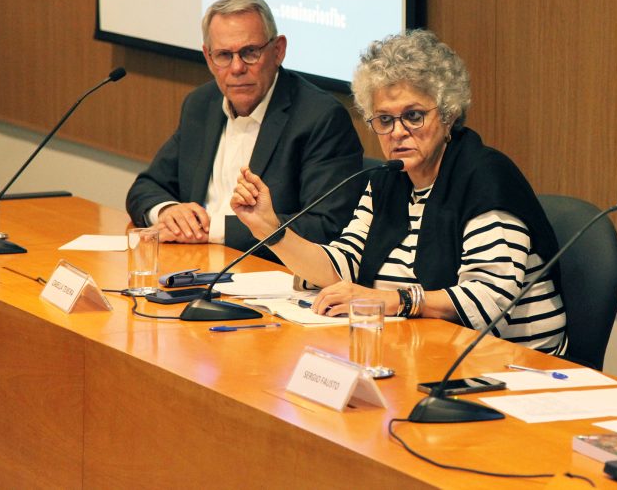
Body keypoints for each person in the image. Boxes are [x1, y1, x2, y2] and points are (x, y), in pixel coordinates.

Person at [231, 30, 567, 353]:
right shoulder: (388, 179)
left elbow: (487, 300)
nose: (399, 132)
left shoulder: (485, 178)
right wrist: (269, 230)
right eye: (385, 120)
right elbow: (342, 267)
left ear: (448, 114)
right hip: (423, 348)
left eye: (414, 116)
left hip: (512, 366)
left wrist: (394, 300)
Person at [125, 0, 363, 257]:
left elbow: (326, 226)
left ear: (278, 51)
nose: (237, 68)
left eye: (250, 52)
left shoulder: (319, 118)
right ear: (208, 57)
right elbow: (145, 187)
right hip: (191, 263)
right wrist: (169, 212)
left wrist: (212, 230)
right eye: (224, 55)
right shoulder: (201, 104)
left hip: (267, 275)